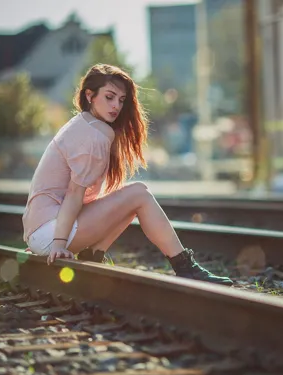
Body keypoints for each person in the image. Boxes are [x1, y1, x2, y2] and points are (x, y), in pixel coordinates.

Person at [22, 64, 233, 286]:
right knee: (139, 194)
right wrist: (57, 243)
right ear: (90, 95)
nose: (116, 106)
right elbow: (75, 194)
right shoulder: (93, 133)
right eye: (109, 97)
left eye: (121, 100)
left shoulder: (84, 124)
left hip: (43, 231)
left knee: (130, 200)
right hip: (50, 233)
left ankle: (93, 255)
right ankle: (186, 268)